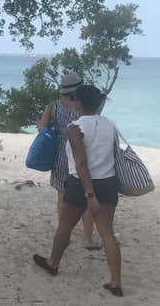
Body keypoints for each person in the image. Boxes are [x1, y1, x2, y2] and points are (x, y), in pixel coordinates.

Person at [33, 85, 123, 297]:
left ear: (78, 103)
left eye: (73, 99)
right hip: (108, 182)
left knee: (65, 226)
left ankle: (53, 263)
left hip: (81, 185)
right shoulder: (110, 124)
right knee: (108, 234)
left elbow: (82, 164)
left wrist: (90, 195)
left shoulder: (75, 127)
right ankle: (116, 283)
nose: (71, 102)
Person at [37, 72, 100, 251]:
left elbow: (41, 127)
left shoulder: (53, 106)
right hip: (83, 154)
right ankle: (88, 239)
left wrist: (58, 132)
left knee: (62, 198)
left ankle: (64, 236)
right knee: (87, 197)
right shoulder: (83, 105)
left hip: (60, 155)